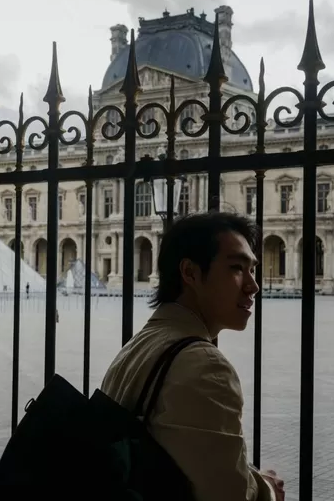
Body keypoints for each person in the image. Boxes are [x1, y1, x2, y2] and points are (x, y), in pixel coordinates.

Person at [100, 212, 285, 501]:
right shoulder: (205, 365)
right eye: (237, 268)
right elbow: (228, 496)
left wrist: (251, 478)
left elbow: (183, 457)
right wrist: (268, 491)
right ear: (190, 273)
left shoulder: (141, 344)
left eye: (253, 269)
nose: (253, 285)